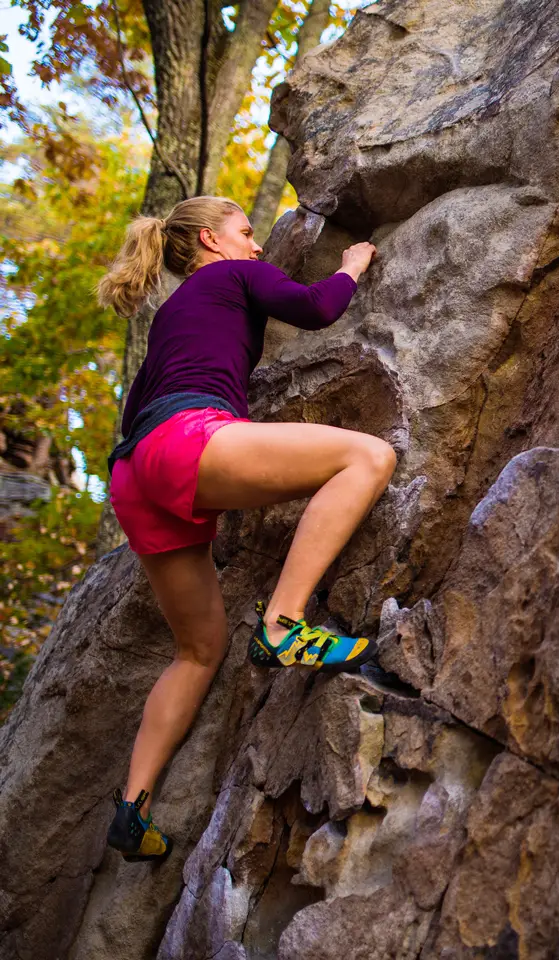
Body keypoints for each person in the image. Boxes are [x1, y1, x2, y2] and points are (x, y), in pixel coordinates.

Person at [93, 196, 395, 863]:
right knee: (368, 456)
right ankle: (284, 625)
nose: (258, 246)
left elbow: (139, 410)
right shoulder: (231, 275)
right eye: (248, 232)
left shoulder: (171, 315)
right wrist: (351, 264)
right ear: (211, 237)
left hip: (135, 474)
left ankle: (131, 809)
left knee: (197, 651)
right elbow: (316, 308)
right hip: (189, 441)